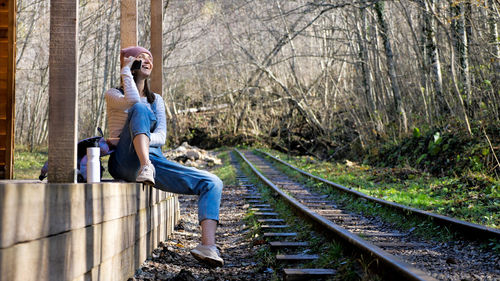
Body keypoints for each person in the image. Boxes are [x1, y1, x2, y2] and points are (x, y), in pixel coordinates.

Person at [105, 46, 224, 267]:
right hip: (124, 160)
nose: (147, 62)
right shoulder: (114, 94)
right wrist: (126, 71)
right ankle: (145, 165)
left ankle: (208, 246)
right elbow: (132, 102)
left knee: (213, 182)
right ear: (129, 62)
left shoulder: (156, 99)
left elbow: (161, 135)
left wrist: (144, 140)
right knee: (140, 110)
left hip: (154, 159)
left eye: (150, 59)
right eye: (141, 58)